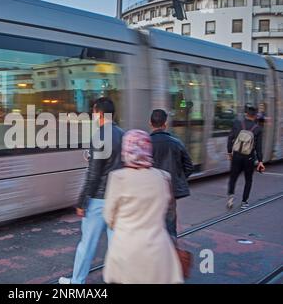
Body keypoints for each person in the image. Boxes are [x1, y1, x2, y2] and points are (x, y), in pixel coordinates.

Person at [103, 130, 184, 284]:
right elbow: (169, 213)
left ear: (126, 150)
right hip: (158, 250)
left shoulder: (118, 178)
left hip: (126, 250)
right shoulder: (163, 177)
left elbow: (109, 218)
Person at [59, 97, 124, 284]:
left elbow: (93, 175)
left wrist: (81, 202)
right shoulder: (123, 134)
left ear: (100, 114)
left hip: (98, 200)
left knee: (87, 244)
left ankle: (77, 282)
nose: (93, 115)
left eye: (94, 112)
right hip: (117, 197)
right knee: (116, 245)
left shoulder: (100, 137)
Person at [149, 109, 193, 241]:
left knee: (152, 225)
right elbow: (189, 167)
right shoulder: (176, 142)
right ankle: (171, 252)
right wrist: (177, 179)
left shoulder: (145, 143)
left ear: (150, 123)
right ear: (165, 124)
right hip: (170, 192)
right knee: (170, 227)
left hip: (151, 192)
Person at [227, 106, 265, 209]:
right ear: (255, 116)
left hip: (237, 156)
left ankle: (230, 198)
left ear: (246, 114)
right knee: (248, 180)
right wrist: (260, 161)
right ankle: (244, 202)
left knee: (233, 177)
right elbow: (258, 147)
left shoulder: (237, 123)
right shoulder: (258, 129)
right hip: (249, 157)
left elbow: (230, 138)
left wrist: (229, 152)